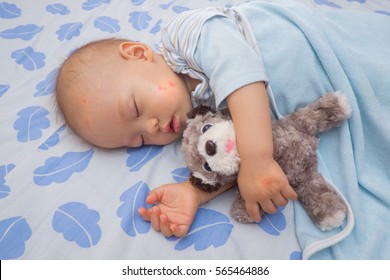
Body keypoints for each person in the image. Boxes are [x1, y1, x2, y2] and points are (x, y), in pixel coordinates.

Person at [55, 0, 390, 243]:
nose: (151, 128)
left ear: (138, 54)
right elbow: (232, 153)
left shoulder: (185, 38)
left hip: (335, 50)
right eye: (138, 139)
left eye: (134, 109)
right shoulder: (199, 121)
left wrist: (258, 159)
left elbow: (240, 70)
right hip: (342, 97)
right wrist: (194, 193)